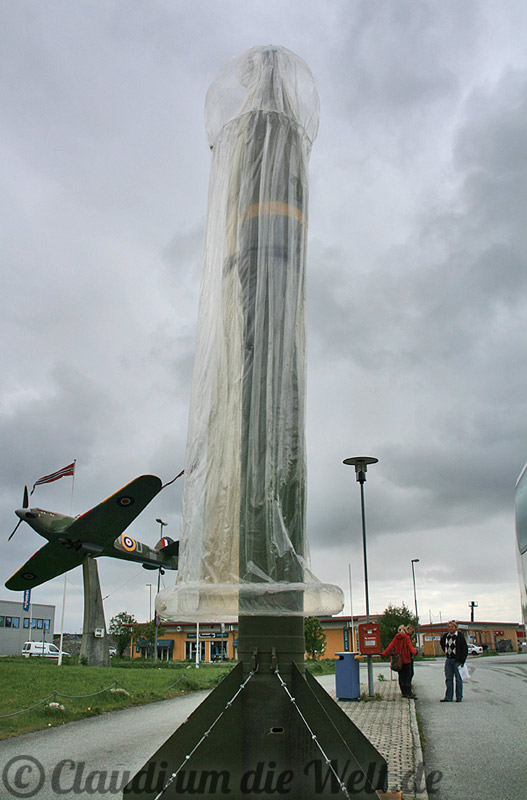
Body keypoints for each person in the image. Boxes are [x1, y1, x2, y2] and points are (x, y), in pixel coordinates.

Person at [382, 624, 417, 698]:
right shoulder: (406, 637)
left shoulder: (396, 637)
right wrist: (415, 652)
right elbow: (410, 647)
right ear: (405, 630)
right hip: (407, 660)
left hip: (399, 661)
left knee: (401, 676)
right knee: (408, 676)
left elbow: (390, 646)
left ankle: (403, 692)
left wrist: (384, 654)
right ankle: (408, 693)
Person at [439, 620, 468, 702]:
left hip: (457, 660)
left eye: (452, 627)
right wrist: (446, 651)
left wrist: (462, 660)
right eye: (449, 627)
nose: (450, 628)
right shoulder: (446, 636)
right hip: (449, 659)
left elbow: (464, 649)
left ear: (455, 628)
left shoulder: (459, 636)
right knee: (448, 679)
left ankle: (459, 696)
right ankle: (448, 697)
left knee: (458, 679)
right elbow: (442, 643)